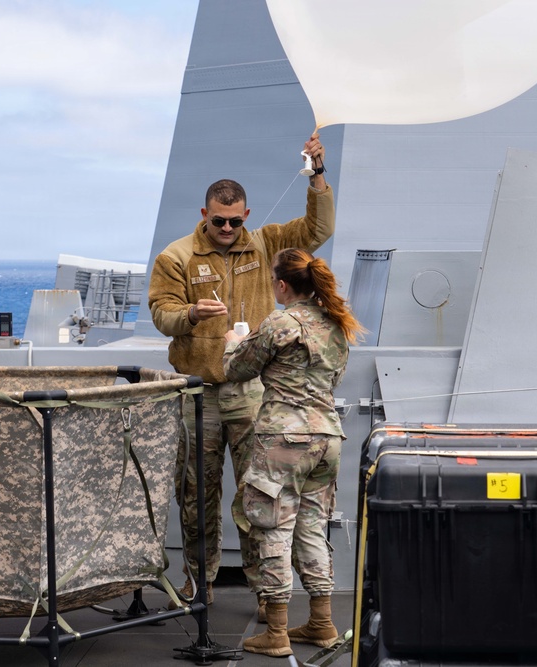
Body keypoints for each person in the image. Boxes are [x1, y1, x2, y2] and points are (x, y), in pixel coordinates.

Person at [148, 133, 334, 608]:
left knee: (259, 492)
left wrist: (317, 176)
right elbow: (161, 313)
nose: (226, 228)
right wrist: (190, 314)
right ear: (203, 215)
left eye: (234, 221)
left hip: (252, 394)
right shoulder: (177, 257)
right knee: (196, 495)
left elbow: (318, 231)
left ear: (246, 216)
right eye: (218, 221)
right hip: (198, 394)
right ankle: (199, 581)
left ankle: (261, 584)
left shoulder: (267, 241)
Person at [222, 248, 363, 657]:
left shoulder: (281, 322)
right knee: (313, 528)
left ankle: (277, 632)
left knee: (273, 527)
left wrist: (234, 342)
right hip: (327, 438)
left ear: (282, 285)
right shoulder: (337, 324)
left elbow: (238, 370)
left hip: (284, 440)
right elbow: (334, 376)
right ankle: (321, 623)